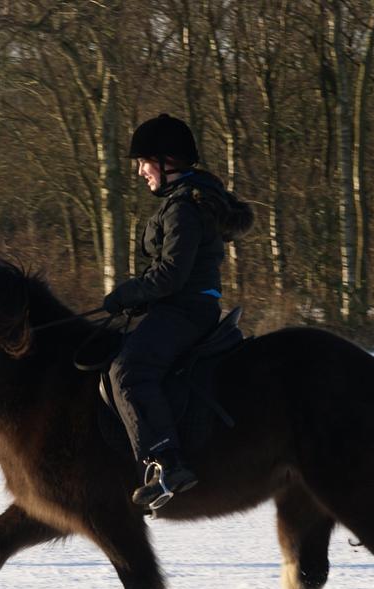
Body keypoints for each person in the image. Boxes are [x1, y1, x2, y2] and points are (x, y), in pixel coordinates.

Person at [103, 113, 253, 510]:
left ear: (167, 162)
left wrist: (126, 293)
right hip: (179, 306)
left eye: (143, 163)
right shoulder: (182, 202)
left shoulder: (183, 208)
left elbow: (170, 275)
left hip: (184, 310)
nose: (139, 172)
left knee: (128, 371)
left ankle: (166, 462)